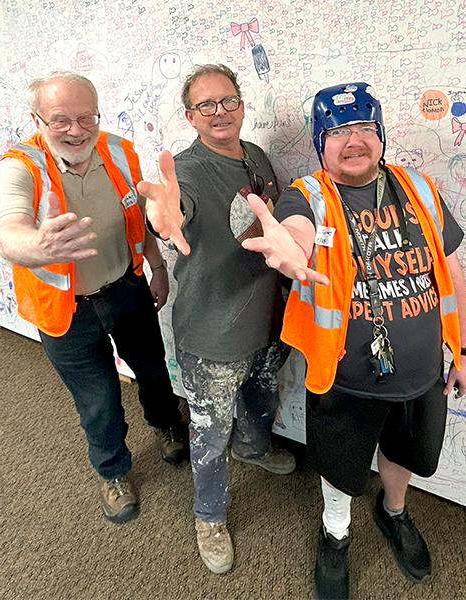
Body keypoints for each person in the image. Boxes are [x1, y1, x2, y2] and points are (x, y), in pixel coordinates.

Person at [240, 82, 466, 599]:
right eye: (339, 131)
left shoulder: (420, 189)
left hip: (421, 371)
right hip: (345, 376)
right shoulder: (308, 196)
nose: (353, 141)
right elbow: (296, 230)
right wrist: (290, 248)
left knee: (404, 451)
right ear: (322, 143)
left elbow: (452, 272)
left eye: (364, 128)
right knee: (342, 463)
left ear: (381, 135)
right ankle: (336, 533)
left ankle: (394, 513)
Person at [0, 71, 188, 526]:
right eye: (60, 120)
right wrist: (37, 246)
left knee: (154, 371)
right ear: (37, 119)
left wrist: (157, 267)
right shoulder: (19, 167)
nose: (76, 130)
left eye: (86, 117)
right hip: (67, 312)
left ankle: (166, 425)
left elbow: (138, 216)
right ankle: (113, 472)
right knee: (98, 400)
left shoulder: (120, 151)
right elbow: (10, 231)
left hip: (128, 288)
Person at [136, 64, 295, 574]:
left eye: (228, 101)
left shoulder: (258, 157)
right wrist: (164, 216)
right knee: (209, 433)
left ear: (243, 105)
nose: (219, 112)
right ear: (190, 116)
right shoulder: (187, 170)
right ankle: (209, 517)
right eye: (206, 105)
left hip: (268, 318)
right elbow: (172, 207)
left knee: (262, 397)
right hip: (214, 331)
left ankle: (253, 448)